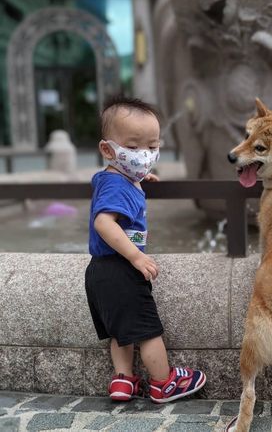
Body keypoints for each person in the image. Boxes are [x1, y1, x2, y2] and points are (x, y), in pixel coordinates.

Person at [85, 97, 206, 403]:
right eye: (134, 147)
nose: (144, 155)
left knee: (120, 331)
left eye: (152, 147)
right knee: (147, 330)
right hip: (121, 267)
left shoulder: (112, 177)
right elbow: (103, 222)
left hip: (99, 270)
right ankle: (163, 383)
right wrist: (136, 256)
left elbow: (117, 186)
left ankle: (123, 380)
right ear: (108, 150)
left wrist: (138, 178)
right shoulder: (117, 186)